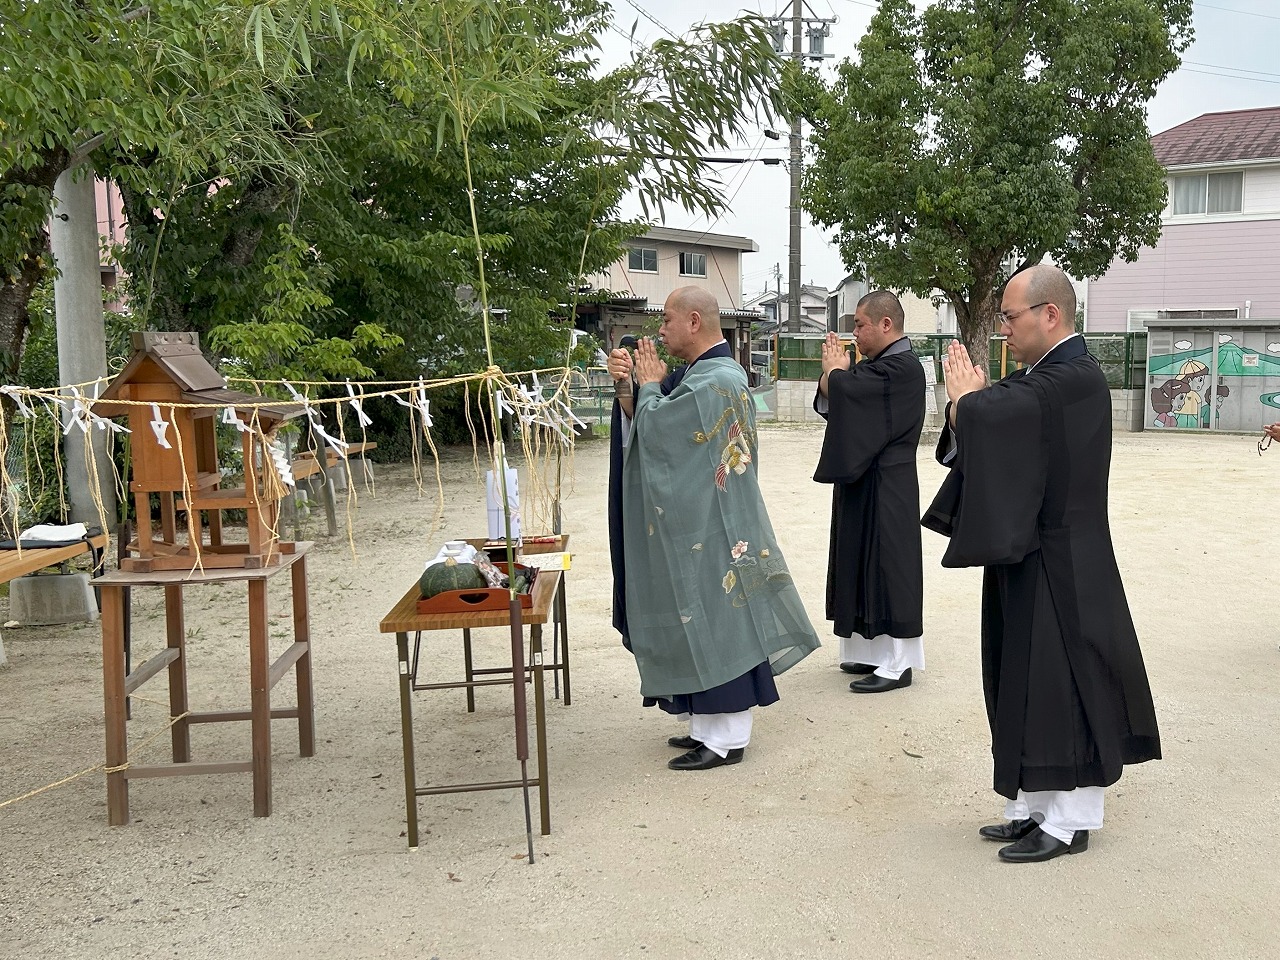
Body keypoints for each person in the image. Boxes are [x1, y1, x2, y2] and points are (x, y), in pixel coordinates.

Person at [922, 264, 1161, 863]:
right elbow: (1009, 418)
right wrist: (970, 409)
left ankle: (1072, 818)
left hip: (1067, 557)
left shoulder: (1074, 377)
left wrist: (967, 406)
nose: (1003, 329)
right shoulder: (1047, 377)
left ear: (1049, 314)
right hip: (1032, 550)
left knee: (1065, 682)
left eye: (1010, 316)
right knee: (1023, 677)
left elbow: (1009, 412)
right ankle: (1033, 804)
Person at [607, 286, 820, 771]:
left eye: (666, 320)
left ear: (695, 321)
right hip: (700, 518)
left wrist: (647, 388)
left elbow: (661, 430)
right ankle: (705, 724)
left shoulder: (718, 380)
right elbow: (647, 422)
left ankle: (727, 737)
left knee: (720, 617)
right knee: (694, 613)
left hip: (715, 523)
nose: (660, 330)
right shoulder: (700, 375)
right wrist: (629, 386)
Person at [812, 291, 926, 693]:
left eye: (859, 324)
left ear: (886, 325)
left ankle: (897, 663)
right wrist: (837, 377)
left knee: (888, 565)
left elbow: (851, 392)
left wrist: (834, 375)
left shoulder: (903, 368)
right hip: (865, 478)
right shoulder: (880, 366)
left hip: (889, 483)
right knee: (858, 560)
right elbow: (850, 394)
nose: (854, 332)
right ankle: (868, 649)